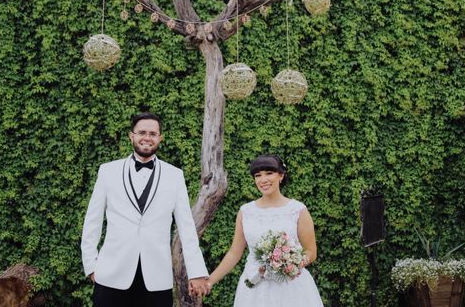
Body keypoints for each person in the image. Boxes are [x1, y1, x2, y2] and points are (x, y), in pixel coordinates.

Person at [81, 112, 209, 307]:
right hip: (111, 276)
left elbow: (186, 227)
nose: (147, 137)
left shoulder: (174, 175)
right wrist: (91, 266)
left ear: (160, 138)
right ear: (131, 136)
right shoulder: (108, 171)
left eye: (152, 133)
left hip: (156, 280)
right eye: (141, 132)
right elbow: (92, 221)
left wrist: (197, 272)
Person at [203, 154, 324, 306]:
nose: (263, 180)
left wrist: (289, 264)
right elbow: (234, 253)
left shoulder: (297, 210)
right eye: (258, 175)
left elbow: (311, 252)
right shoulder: (246, 211)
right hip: (255, 286)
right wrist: (210, 280)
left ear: (281, 175)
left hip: (291, 287)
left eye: (269, 173)